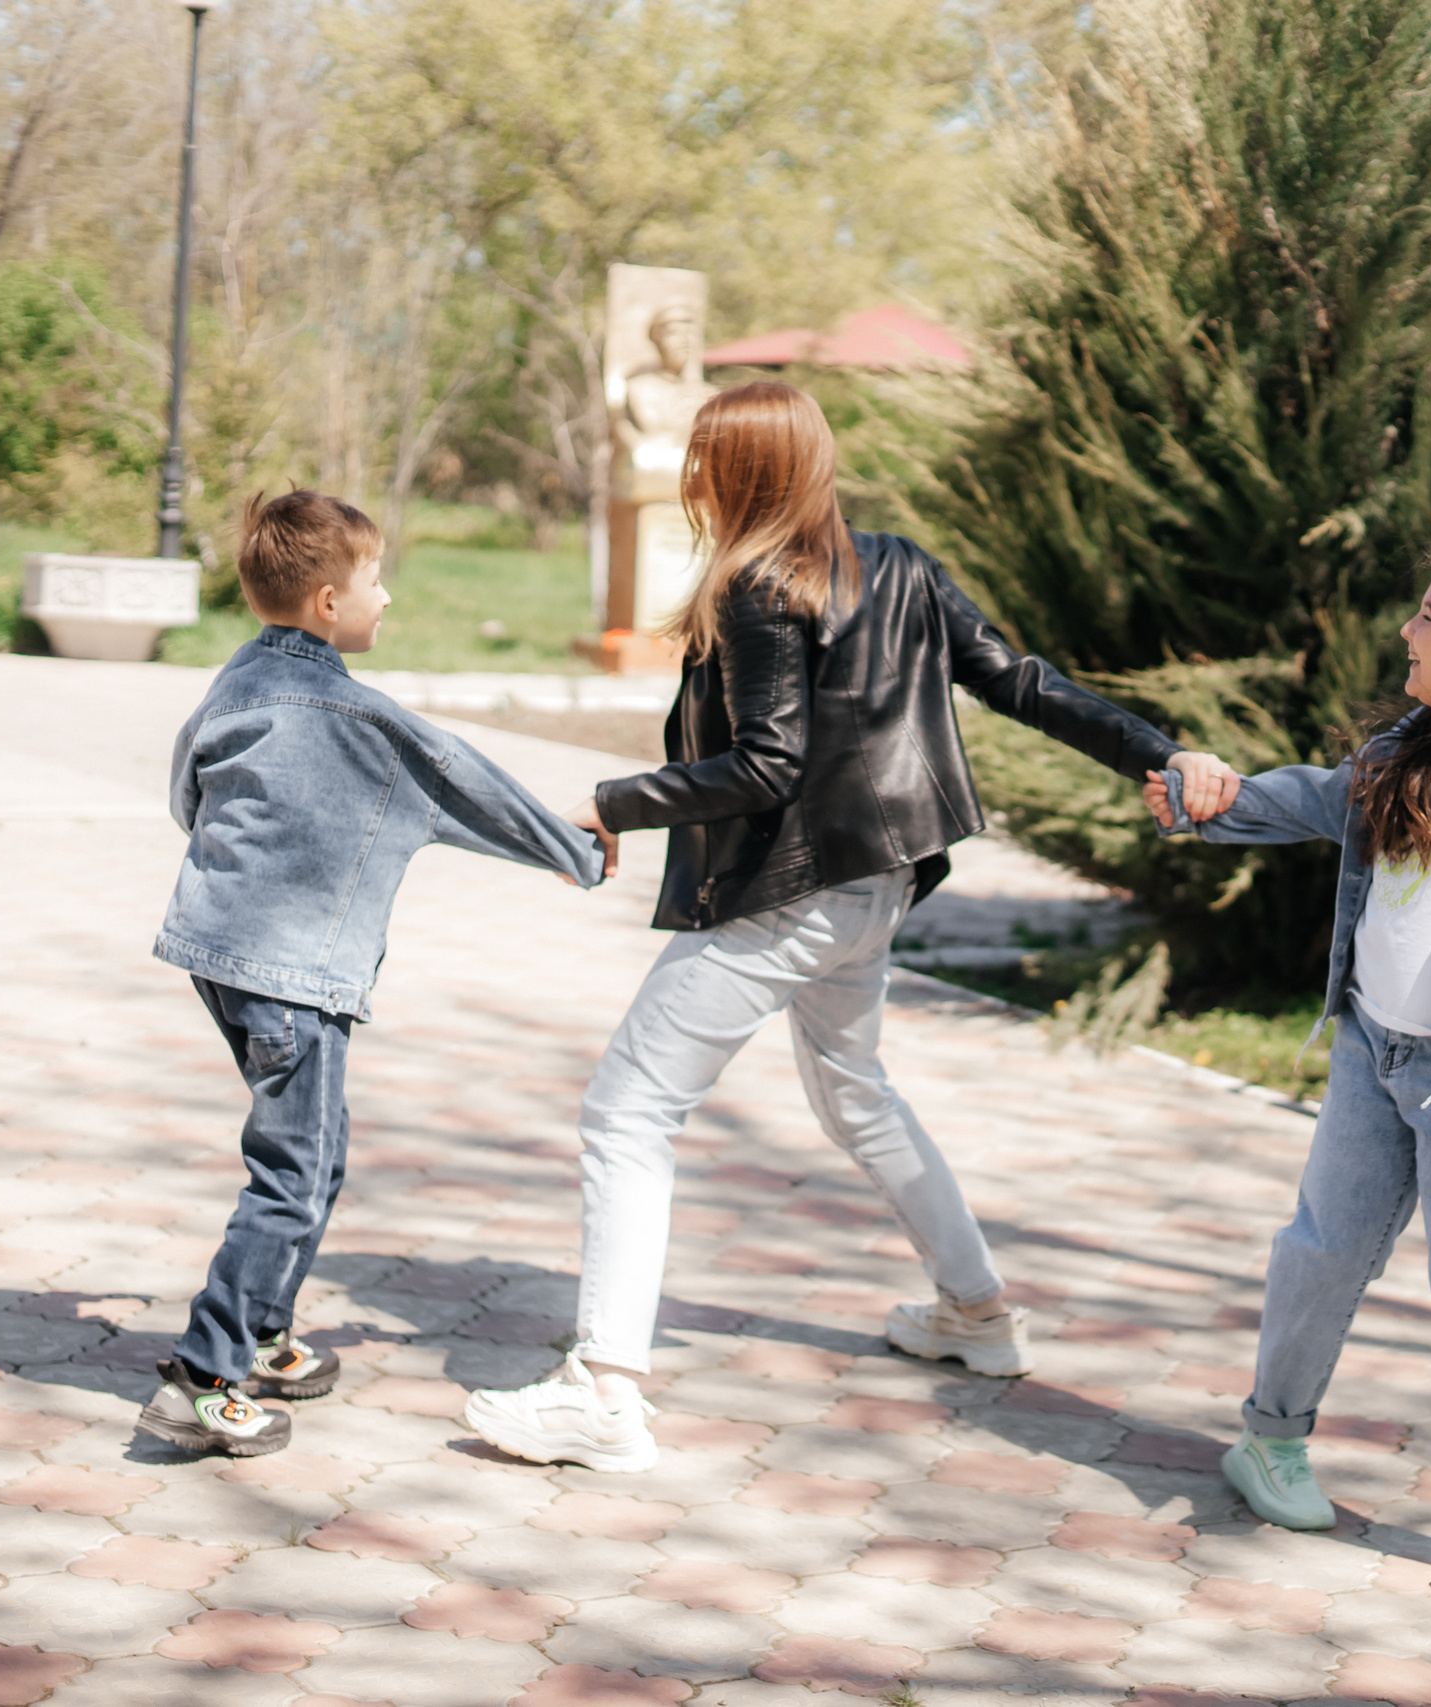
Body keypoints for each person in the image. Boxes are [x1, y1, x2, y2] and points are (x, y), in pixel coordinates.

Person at [463, 382, 1240, 1471]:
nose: (690, 478)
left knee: (628, 1113)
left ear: (729, 475)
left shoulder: (757, 584)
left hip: (793, 893)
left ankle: (604, 1392)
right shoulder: (901, 564)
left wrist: (612, 801)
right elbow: (1024, 682)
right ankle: (974, 1311)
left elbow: (767, 764)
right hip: (871, 885)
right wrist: (1158, 753)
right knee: (855, 1094)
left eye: (702, 461)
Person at [1147, 552, 1431, 1600]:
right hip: (1372, 1052)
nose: (1406, 633)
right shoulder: (1405, 756)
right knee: (1321, 1250)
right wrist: (1207, 798)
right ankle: (1269, 1440)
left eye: (1425, 617)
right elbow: (1308, 801)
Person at [138, 490, 607, 1457]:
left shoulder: (233, 683)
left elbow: (188, 790)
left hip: (215, 954)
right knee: (293, 1172)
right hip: (298, 976)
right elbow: (472, 785)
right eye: (373, 579)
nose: (384, 597)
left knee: (316, 1148)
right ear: (324, 600)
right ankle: (205, 1371)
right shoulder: (368, 722)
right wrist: (575, 847)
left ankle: (263, 1330)